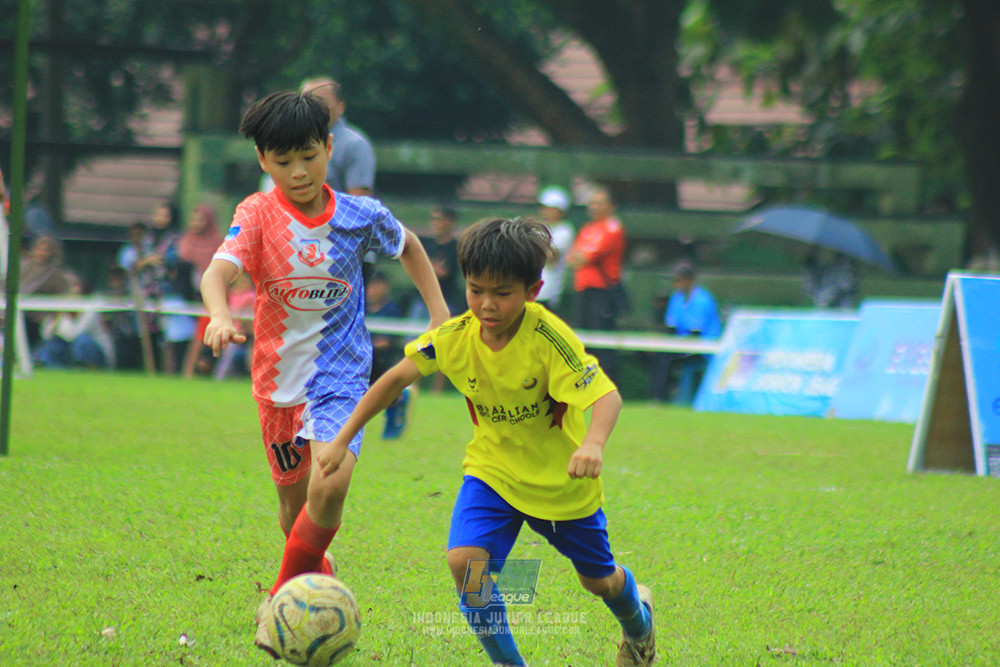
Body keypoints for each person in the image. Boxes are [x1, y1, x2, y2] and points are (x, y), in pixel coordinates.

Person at [316, 217, 657, 667]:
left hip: (561, 484)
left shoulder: (549, 339)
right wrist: (342, 438)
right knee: (465, 564)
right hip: (492, 474)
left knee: (599, 582)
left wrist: (592, 444)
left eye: (502, 293)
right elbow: (392, 381)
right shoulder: (455, 338)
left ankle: (639, 623)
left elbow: (606, 396)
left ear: (532, 290)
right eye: (476, 290)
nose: (487, 304)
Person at [197, 90, 448, 657]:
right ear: (263, 161)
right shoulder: (257, 215)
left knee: (330, 483)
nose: (298, 171)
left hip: (341, 380)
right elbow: (218, 272)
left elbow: (407, 243)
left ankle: (281, 606)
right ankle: (311, 577)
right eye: (282, 161)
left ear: (329, 148)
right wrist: (217, 312)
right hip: (275, 389)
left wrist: (438, 315)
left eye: (308, 156)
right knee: (294, 512)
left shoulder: (359, 215)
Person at [567, 185, 627, 380]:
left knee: (602, 341)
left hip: (601, 292)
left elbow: (585, 257)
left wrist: (581, 257)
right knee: (583, 340)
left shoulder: (612, 228)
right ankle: (585, 383)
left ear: (611, 206)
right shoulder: (587, 229)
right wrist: (580, 257)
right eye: (591, 203)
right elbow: (573, 259)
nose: (593, 207)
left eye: (599, 203)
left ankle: (607, 385)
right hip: (583, 290)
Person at [651, 260, 722, 405]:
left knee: (665, 359)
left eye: (677, 280)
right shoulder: (676, 298)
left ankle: (661, 398)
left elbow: (695, 332)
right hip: (682, 345)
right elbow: (671, 326)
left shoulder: (703, 299)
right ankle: (661, 396)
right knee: (655, 355)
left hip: (704, 349)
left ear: (688, 281)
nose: (674, 284)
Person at [300, 77, 376, 197]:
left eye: (322, 102)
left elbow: (359, 203)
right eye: (307, 102)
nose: (314, 108)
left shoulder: (354, 145)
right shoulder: (291, 141)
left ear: (340, 107)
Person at [364, 270, 409, 438]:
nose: (372, 289)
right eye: (371, 285)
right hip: (363, 357)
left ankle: (394, 421)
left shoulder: (391, 310)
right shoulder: (361, 308)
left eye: (377, 285)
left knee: (386, 393)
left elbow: (388, 340)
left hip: (384, 360)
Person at [33, 279, 115, 369]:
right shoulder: (62, 312)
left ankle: (86, 369)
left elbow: (74, 335)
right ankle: (54, 370)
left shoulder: (90, 312)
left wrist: (65, 318)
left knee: (81, 341)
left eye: (76, 295)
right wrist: (58, 319)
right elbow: (46, 335)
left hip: (97, 354)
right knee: (52, 344)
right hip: (71, 350)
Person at [18, 235, 78, 349]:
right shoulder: (24, 268)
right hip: (17, 315)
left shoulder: (55, 275)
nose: (41, 253)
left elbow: (61, 299)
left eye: (46, 250)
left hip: (37, 321)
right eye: (39, 249)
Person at [535, 185, 576, 314]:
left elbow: (549, 257)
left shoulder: (565, 231)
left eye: (551, 209)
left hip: (547, 292)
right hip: (529, 291)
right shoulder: (538, 229)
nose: (546, 212)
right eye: (545, 208)